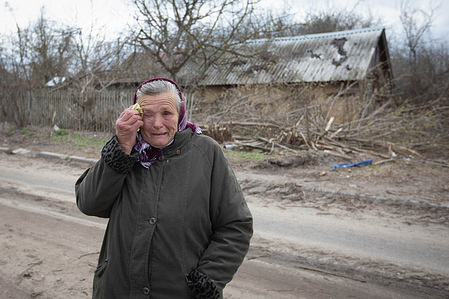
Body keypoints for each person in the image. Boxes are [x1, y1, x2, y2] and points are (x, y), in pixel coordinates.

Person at [75, 77, 253, 299]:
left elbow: (236, 224)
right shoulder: (127, 150)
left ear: (180, 115)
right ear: (136, 116)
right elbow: (89, 203)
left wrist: (208, 278)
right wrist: (120, 148)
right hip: (118, 289)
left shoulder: (206, 153)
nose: (157, 124)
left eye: (166, 113)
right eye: (147, 114)